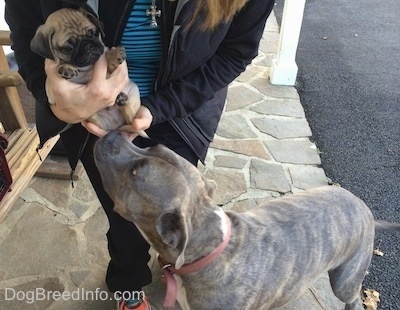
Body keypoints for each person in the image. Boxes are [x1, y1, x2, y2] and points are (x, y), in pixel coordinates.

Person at [5, 0, 274, 308]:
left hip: (181, 112)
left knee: (182, 210)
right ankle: (128, 286)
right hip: (94, 117)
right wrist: (52, 97)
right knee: (126, 223)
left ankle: (173, 258)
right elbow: (25, 28)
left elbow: (236, 51)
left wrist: (160, 107)